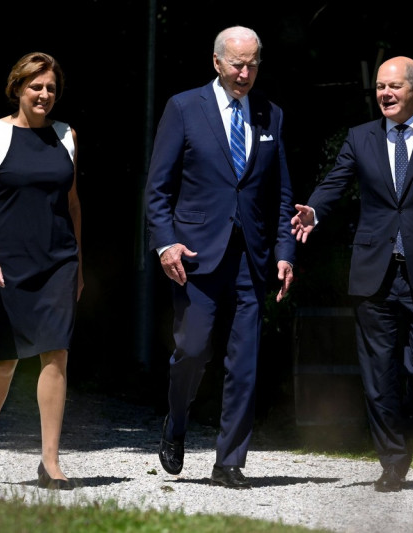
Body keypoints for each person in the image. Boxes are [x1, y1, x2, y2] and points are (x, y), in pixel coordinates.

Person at [291, 56, 413, 492]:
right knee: (378, 373)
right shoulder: (360, 137)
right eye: (379, 87)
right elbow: (335, 183)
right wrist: (314, 209)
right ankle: (392, 461)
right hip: (374, 272)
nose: (385, 94)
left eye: (394, 86)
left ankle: (401, 426)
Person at [145, 25, 296, 489]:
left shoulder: (271, 114)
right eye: (237, 64)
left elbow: (281, 193)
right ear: (217, 62)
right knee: (191, 351)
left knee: (244, 362)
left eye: (253, 64)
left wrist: (285, 251)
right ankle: (175, 424)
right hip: (195, 255)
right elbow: (158, 188)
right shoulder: (184, 107)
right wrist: (166, 243)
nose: (245, 72)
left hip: (252, 257)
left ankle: (229, 460)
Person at [0, 51, 83, 491]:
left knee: (56, 353)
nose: (44, 94)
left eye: (51, 87)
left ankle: (50, 460)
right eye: (36, 86)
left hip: (58, 261)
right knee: (5, 359)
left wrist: (80, 265)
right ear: (19, 88)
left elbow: (72, 204)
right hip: (8, 261)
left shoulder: (66, 135)